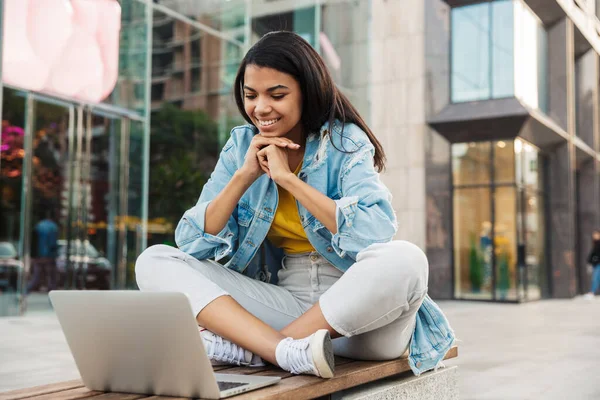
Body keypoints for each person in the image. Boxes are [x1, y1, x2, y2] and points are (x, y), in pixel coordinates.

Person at [135, 31, 454, 379]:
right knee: (154, 260)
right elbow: (192, 242)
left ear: (307, 92)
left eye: (277, 94)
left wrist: (289, 180)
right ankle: (283, 350)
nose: (261, 108)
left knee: (406, 259)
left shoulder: (344, 141)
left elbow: (375, 231)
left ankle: (259, 351)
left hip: (364, 323)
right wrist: (244, 176)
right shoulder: (242, 145)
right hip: (287, 305)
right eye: (251, 95)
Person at [27, 210, 58, 293]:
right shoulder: (53, 227)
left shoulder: (38, 226)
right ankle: (52, 292)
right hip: (48, 255)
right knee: (51, 276)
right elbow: (52, 243)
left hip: (38, 256)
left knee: (36, 275)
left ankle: (26, 290)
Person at [584, 230, 600, 299]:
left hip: (598, 263)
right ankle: (592, 292)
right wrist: (590, 262)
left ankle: (592, 292)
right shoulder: (595, 243)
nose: (595, 236)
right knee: (596, 278)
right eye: (594, 234)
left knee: (595, 278)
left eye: (596, 234)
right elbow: (592, 254)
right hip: (595, 264)